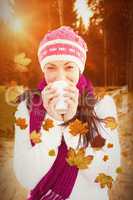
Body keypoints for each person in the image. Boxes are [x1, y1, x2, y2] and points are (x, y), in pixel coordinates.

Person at [13, 26, 121, 200]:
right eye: (51, 67)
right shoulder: (26, 108)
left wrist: (72, 125)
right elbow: (26, 177)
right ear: (43, 70)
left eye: (69, 67)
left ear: (80, 68)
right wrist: (52, 122)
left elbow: (107, 175)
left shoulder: (102, 106)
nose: (60, 77)